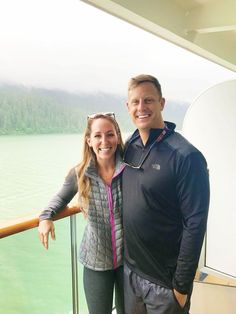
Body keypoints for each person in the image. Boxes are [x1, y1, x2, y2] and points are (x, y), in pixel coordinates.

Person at [122, 74, 210, 314]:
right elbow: (98, 162)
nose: (142, 108)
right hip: (130, 272)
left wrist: (181, 286)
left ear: (162, 103)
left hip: (165, 283)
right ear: (127, 107)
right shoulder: (129, 146)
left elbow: (195, 223)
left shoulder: (186, 156)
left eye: (148, 100)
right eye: (136, 102)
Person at [38, 112, 125, 314]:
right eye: (97, 135)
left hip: (128, 260)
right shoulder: (80, 173)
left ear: (117, 137)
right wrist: (45, 217)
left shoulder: (130, 168)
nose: (104, 141)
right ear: (89, 140)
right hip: (95, 261)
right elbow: (61, 199)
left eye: (110, 134)